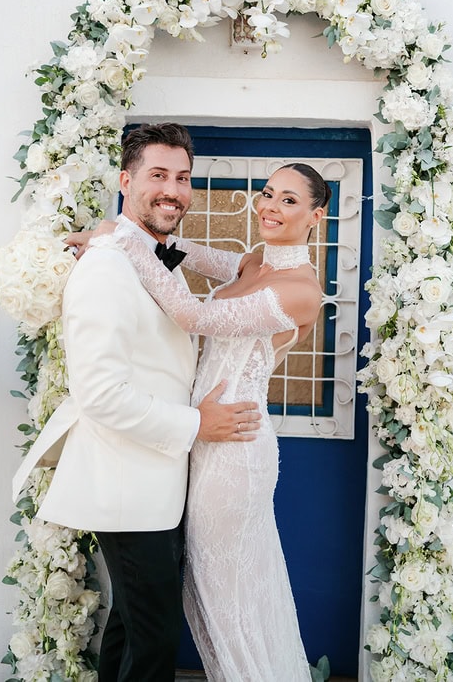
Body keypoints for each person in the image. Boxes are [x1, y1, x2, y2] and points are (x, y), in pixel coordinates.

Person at [12, 123, 263, 682]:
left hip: (156, 480)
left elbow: (233, 267)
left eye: (182, 177)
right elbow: (101, 394)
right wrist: (199, 424)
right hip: (126, 483)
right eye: (157, 175)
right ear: (126, 180)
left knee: (131, 631)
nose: (172, 189)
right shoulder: (104, 268)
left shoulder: (143, 253)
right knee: (153, 643)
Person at [81, 158, 332, 681]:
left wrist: (122, 242)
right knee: (214, 593)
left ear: (316, 215)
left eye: (289, 200)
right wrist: (117, 233)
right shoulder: (253, 264)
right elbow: (178, 252)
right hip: (201, 435)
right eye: (268, 193)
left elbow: (194, 315)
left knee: (227, 599)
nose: (270, 206)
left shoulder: (300, 290)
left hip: (235, 448)